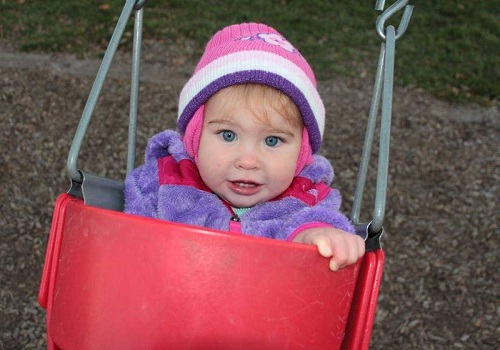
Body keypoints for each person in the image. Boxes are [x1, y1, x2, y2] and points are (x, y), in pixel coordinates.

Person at [124, 22, 365, 271]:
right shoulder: (163, 183)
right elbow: (126, 246)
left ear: (302, 153)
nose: (248, 161)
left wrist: (320, 239)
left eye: (272, 141)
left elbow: (313, 223)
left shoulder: (304, 200)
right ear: (195, 138)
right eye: (228, 135)